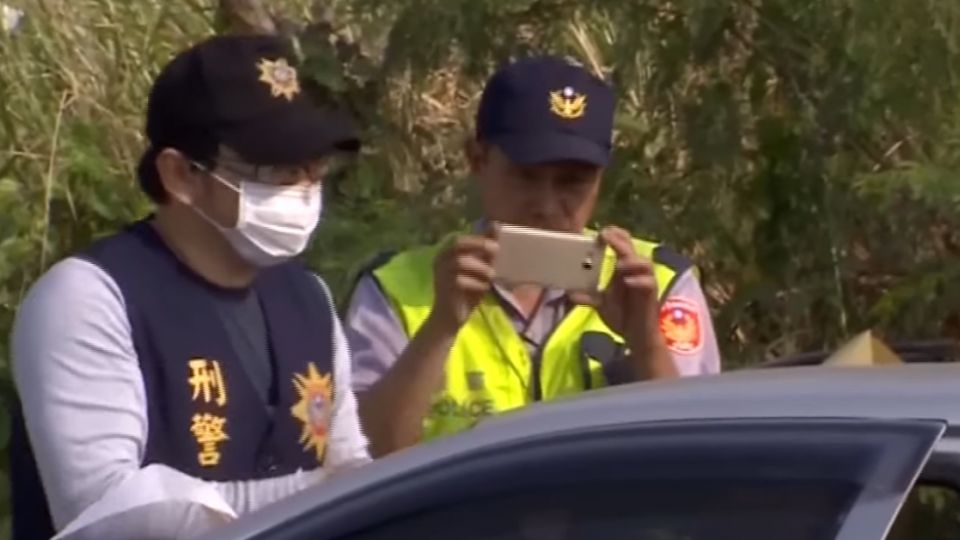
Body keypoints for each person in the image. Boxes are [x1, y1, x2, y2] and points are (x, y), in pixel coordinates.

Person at [10, 34, 369, 539]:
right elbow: (106, 515)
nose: (306, 189)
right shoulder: (88, 299)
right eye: (280, 171)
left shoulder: (309, 299)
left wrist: (354, 489)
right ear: (180, 175)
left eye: (315, 169)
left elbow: (351, 468)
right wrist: (324, 493)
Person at [344, 55, 721, 458]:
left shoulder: (655, 283)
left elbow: (698, 458)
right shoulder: (397, 289)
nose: (546, 205)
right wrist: (439, 328)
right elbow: (364, 459)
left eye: (573, 183)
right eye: (526, 176)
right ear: (477, 160)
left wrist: (645, 345)